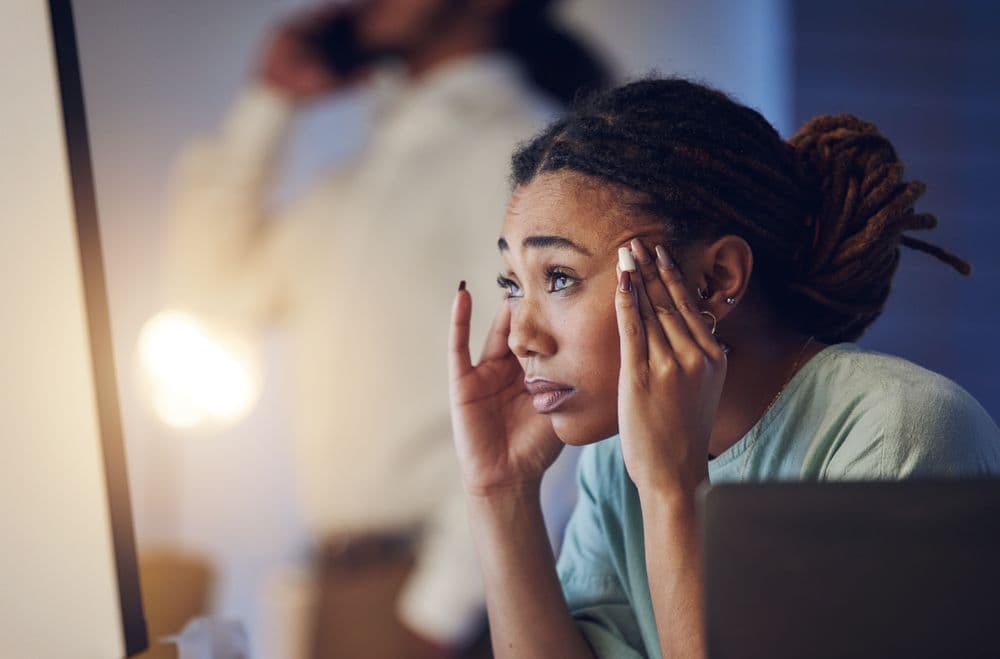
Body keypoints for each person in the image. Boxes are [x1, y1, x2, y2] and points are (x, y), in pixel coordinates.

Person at [447, 77, 1000, 658]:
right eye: (513, 285)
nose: (521, 338)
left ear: (715, 279)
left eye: (559, 277)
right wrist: (502, 491)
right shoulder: (616, 462)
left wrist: (673, 490)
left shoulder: (903, 434)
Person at [163, 1, 609, 657]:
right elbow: (211, 290)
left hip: (433, 598)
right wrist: (269, 103)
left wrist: (440, 612)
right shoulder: (360, 178)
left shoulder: (515, 151)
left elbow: (553, 385)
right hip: (337, 583)